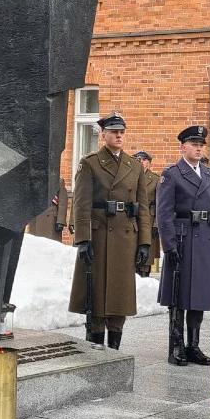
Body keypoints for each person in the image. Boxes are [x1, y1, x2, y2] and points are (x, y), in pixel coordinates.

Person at [68, 113, 153, 349]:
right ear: (103, 134)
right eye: (114, 131)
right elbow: (81, 204)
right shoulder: (90, 163)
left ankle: (115, 349)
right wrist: (83, 239)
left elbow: (143, 208)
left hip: (126, 238)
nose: (118, 135)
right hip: (100, 236)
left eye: (122, 132)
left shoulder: (134, 166)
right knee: (96, 299)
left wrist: (145, 242)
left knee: (119, 299)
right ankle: (95, 347)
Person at [156, 127, 210, 365]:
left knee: (199, 295)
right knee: (178, 294)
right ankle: (176, 346)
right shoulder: (172, 175)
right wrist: (169, 245)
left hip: (205, 239)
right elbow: (164, 214)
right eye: (193, 144)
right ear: (183, 147)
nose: (198, 148)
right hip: (182, 240)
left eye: (201, 144)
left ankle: (193, 345)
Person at [135, 151, 161, 277]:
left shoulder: (155, 179)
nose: (141, 162)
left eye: (144, 160)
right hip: (133, 218)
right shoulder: (131, 177)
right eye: (138, 159)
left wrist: (156, 224)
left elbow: (159, 203)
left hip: (149, 219)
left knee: (147, 252)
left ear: (149, 163)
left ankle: (144, 274)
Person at [26, 176, 69, 242]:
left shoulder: (58, 181)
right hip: (35, 219)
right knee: (35, 246)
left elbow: (63, 202)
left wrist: (60, 221)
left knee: (51, 246)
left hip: (51, 220)